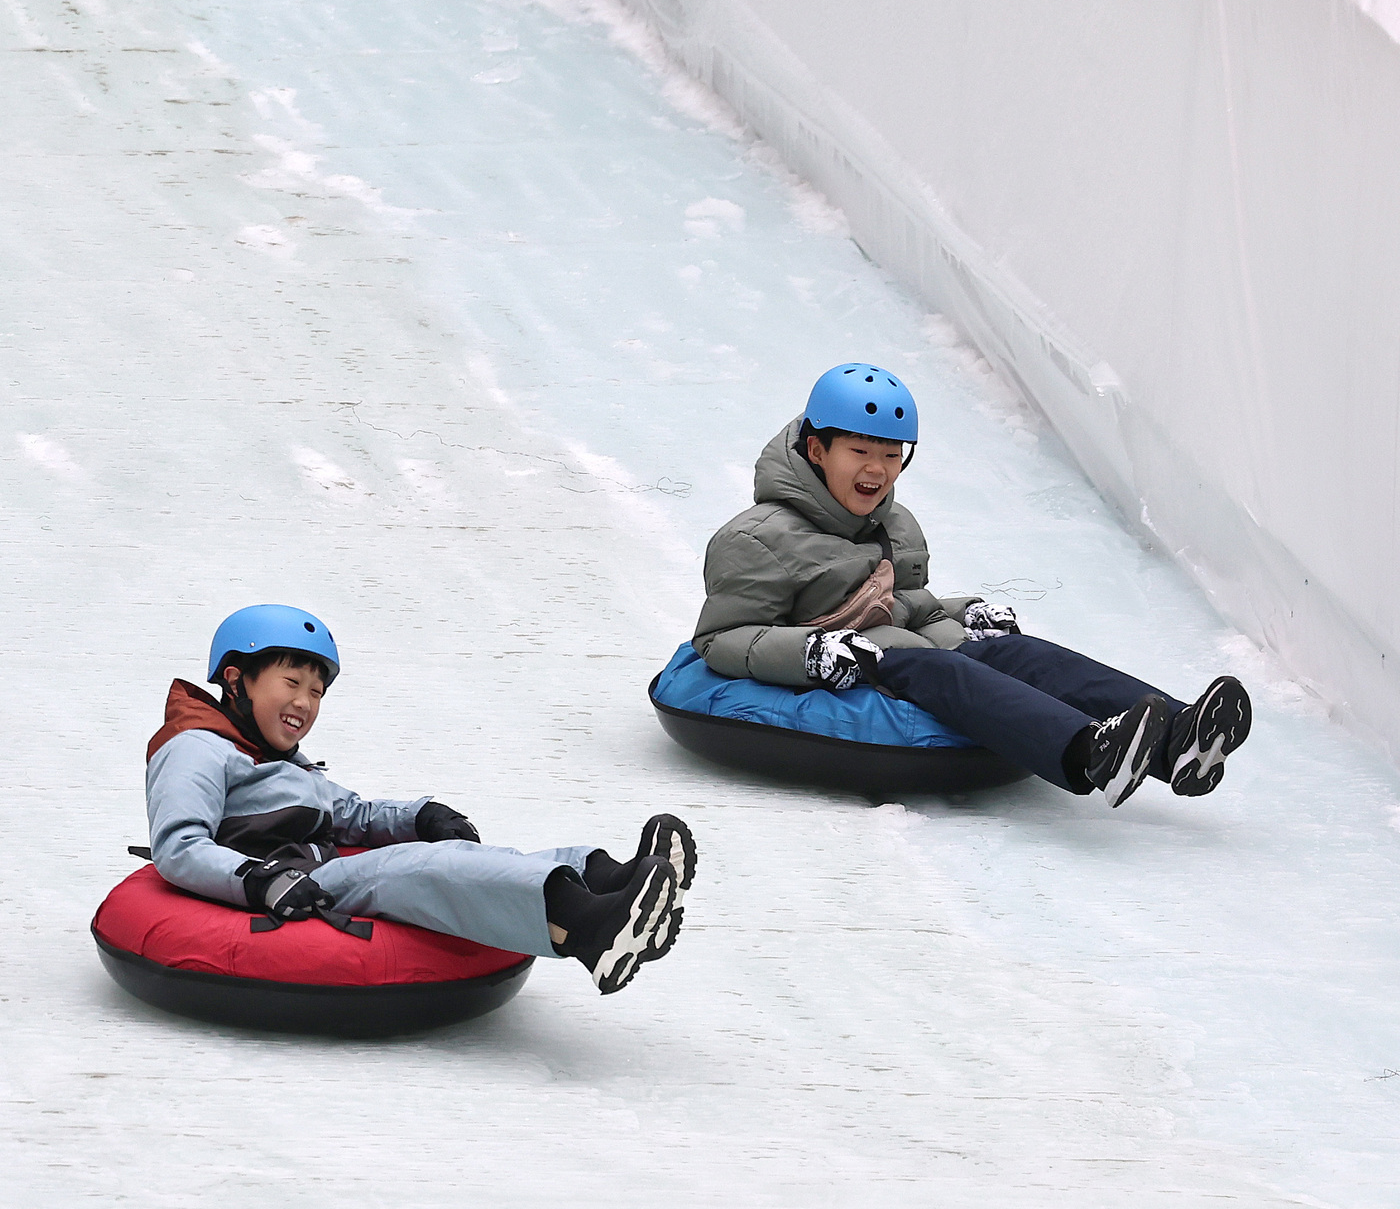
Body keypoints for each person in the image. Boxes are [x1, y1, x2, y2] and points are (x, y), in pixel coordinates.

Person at [693, 363, 1251, 806]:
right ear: (818, 451)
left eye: (891, 455)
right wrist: (813, 653)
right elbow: (720, 640)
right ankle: (1088, 750)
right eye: (860, 452)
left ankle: (1180, 737)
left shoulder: (894, 524)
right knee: (943, 671)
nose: (878, 470)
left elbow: (904, 603)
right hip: (849, 665)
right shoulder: (757, 539)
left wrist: (962, 612)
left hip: (903, 643)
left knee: (1020, 654)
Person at [146, 605, 695, 994]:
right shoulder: (197, 748)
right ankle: (587, 929)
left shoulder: (284, 761)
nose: (305, 703)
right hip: (280, 882)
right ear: (237, 680)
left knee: (458, 855)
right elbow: (179, 845)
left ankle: (606, 879)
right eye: (291, 683)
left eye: (316, 691)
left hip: (308, 872)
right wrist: (260, 881)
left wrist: (420, 815)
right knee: (408, 868)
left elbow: (352, 814)